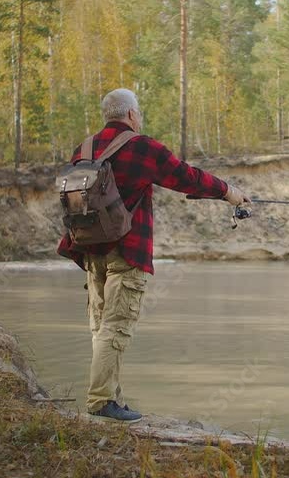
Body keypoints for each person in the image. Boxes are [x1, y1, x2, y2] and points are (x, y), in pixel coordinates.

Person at [57, 88, 249, 423]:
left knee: (102, 327)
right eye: (139, 112)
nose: (140, 118)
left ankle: (110, 398)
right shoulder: (142, 147)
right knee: (117, 328)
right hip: (127, 251)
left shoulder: (83, 149)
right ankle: (102, 401)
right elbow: (187, 177)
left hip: (90, 249)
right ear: (131, 114)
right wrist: (229, 193)